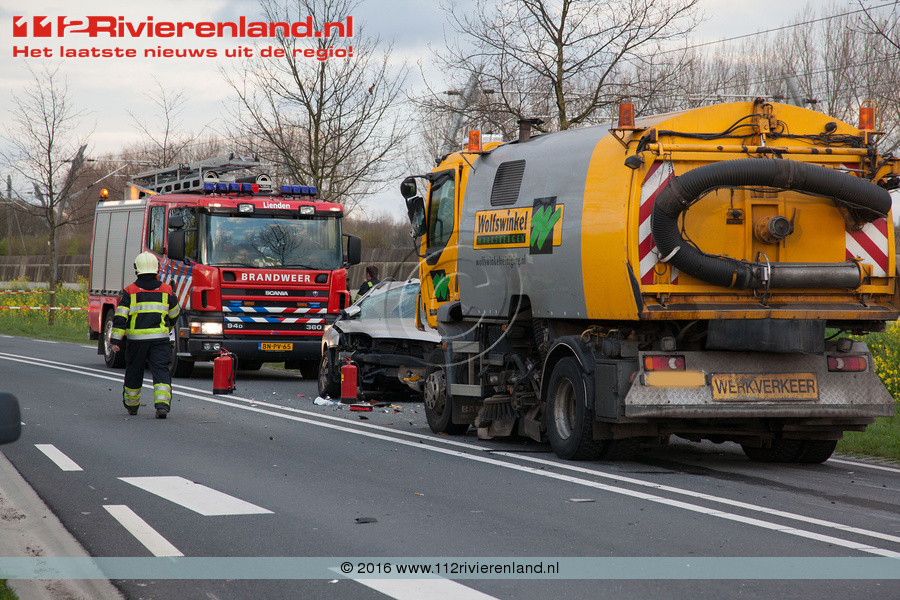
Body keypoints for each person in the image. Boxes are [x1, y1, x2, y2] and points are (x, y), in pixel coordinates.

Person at [109, 251, 181, 419]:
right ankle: (162, 406)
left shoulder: (130, 291)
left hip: (136, 342)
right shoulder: (167, 290)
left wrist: (115, 340)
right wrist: (168, 327)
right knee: (161, 371)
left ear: (137, 269)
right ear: (157, 269)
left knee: (134, 372)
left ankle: (132, 406)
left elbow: (120, 318)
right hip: (160, 340)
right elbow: (175, 313)